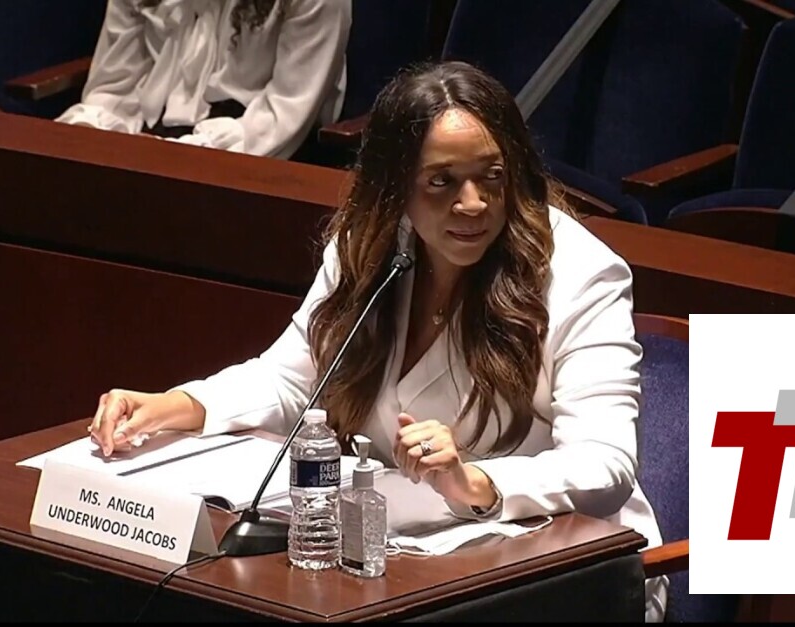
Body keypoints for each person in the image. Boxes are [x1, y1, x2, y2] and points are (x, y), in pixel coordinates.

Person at [87, 60, 668, 621]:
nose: (473, 203)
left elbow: (605, 465)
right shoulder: (369, 248)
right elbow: (291, 378)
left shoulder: (581, 273)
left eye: (492, 176)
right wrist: (174, 406)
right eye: (441, 182)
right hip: (407, 563)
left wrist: (475, 482)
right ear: (396, 186)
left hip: (565, 572)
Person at [56, 0, 351, 159]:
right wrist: (89, 139)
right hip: (146, 139)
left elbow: (283, 116)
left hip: (251, 151)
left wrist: (169, 156)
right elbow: (113, 88)